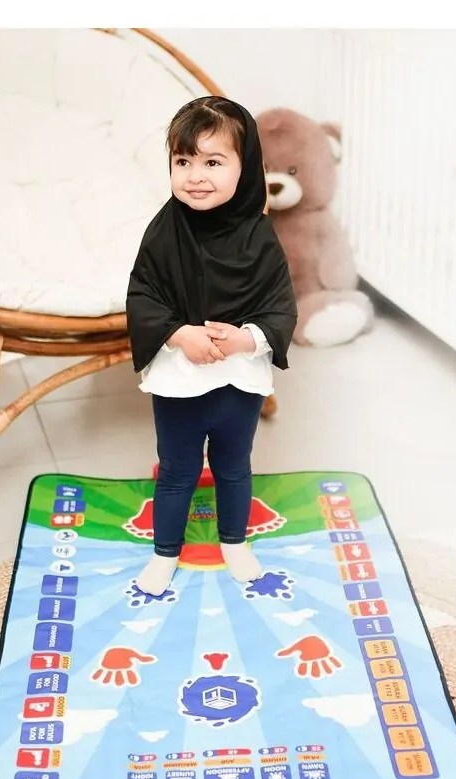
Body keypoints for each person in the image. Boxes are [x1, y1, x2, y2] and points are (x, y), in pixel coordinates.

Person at [126, 96, 298, 595]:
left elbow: (280, 306)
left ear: (246, 169)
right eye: (183, 162)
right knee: (176, 471)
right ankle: (165, 553)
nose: (195, 176)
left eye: (213, 162)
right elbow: (142, 295)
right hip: (180, 380)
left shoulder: (260, 238)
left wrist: (247, 338)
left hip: (237, 380)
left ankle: (235, 543)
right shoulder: (165, 231)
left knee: (233, 466)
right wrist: (180, 333)